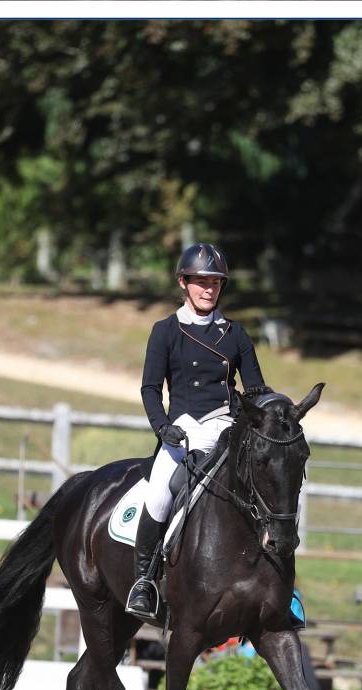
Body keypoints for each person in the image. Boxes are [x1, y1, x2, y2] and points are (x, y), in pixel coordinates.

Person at [126, 242, 268, 620]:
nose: (209, 289)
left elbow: (256, 389)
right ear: (184, 283)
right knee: (158, 494)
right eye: (201, 282)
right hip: (184, 429)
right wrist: (162, 428)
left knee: (271, 491)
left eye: (215, 283)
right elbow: (150, 389)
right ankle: (144, 582)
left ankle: (281, 587)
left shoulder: (236, 334)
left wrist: (265, 409)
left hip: (227, 427)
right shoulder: (165, 332)